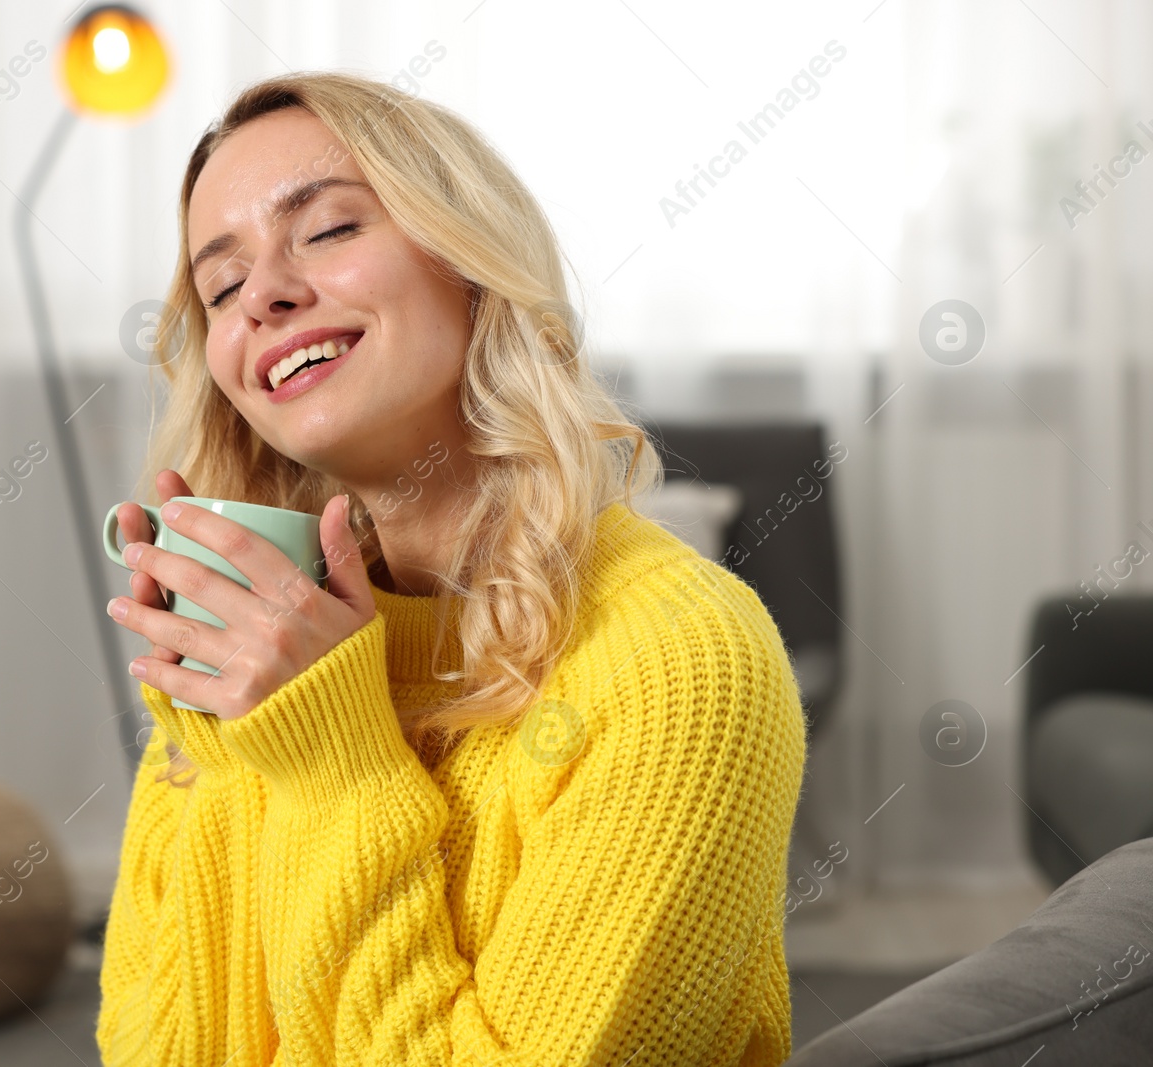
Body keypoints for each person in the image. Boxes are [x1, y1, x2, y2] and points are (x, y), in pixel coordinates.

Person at [96, 70, 807, 1066]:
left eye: (331, 229)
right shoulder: (254, 647)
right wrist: (223, 751)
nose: (263, 293)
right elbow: (150, 1036)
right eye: (220, 285)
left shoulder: (680, 662)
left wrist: (339, 766)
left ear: (472, 260)